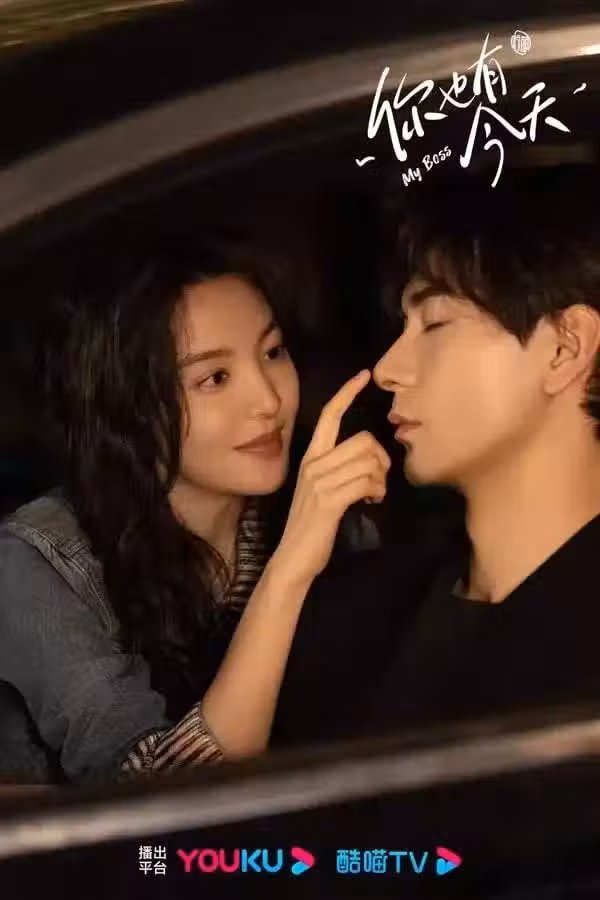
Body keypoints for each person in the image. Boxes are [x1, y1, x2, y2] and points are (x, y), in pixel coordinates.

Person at [0, 237, 390, 784]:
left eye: (273, 352)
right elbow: (153, 797)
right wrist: (288, 572)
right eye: (214, 378)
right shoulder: (40, 562)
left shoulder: (330, 520)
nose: (269, 401)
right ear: (126, 405)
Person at [273, 164, 600, 746]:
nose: (388, 370)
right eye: (405, 326)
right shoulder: (362, 605)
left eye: (437, 322)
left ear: (563, 349)